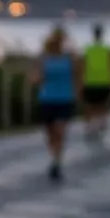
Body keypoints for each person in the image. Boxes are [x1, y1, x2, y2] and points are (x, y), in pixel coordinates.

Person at [34, 26, 77, 182]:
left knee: (60, 131)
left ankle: (57, 161)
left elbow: (76, 76)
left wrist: (77, 93)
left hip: (64, 98)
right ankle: (54, 156)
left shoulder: (69, 58)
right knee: (50, 133)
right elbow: (38, 77)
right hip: (47, 99)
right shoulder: (45, 58)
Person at [77, 23, 110, 145]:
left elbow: (82, 65)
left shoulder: (88, 49)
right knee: (102, 104)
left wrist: (81, 81)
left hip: (90, 81)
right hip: (104, 80)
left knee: (89, 105)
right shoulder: (107, 49)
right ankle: (101, 123)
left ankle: (90, 126)